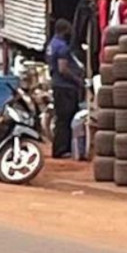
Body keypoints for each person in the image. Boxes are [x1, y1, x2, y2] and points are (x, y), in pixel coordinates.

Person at [48, 18, 84, 158]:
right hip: (65, 88)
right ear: (64, 31)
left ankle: (59, 148)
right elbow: (63, 68)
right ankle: (62, 150)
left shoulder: (52, 44)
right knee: (66, 119)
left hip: (57, 85)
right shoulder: (62, 46)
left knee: (61, 118)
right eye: (68, 31)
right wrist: (77, 80)